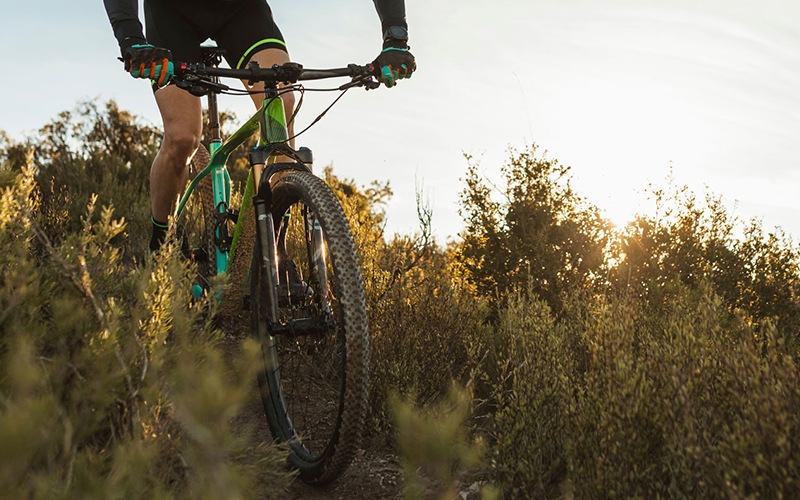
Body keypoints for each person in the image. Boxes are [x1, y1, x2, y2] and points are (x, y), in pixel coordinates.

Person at [103, 0, 416, 252]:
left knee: (280, 101)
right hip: (171, 14)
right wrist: (131, 39)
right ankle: (161, 240)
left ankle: (273, 251)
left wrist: (395, 38)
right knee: (183, 137)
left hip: (242, 11)